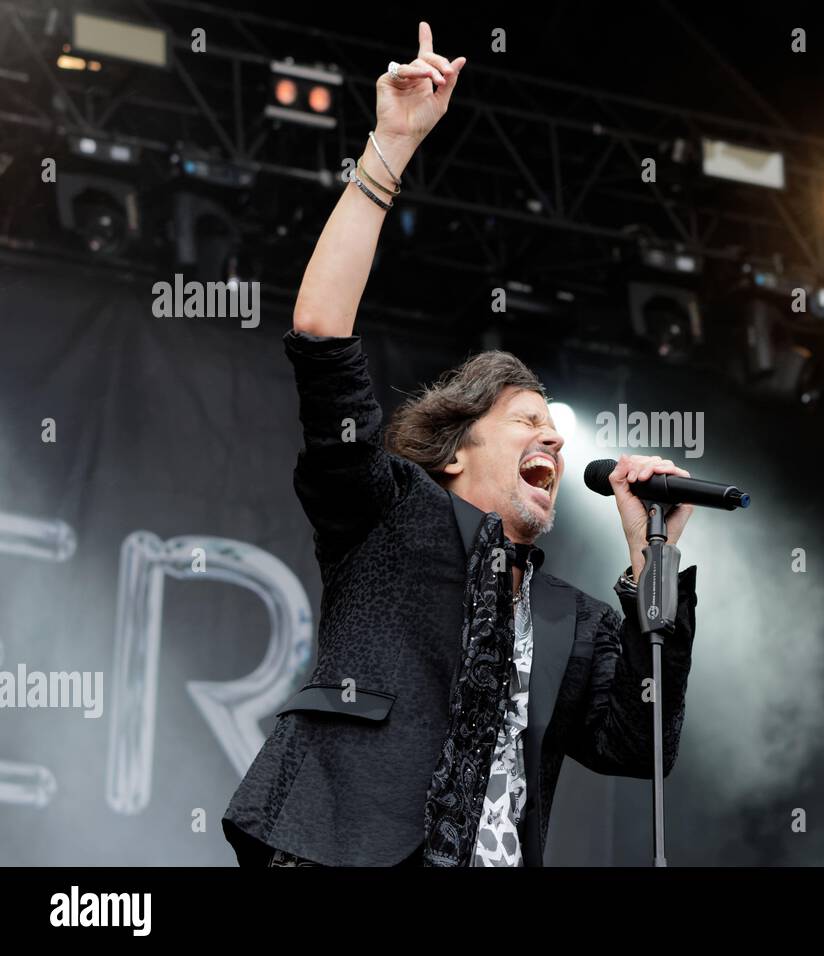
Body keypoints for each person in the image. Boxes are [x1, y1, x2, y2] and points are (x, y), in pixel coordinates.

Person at [220, 21, 698, 867]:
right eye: (526, 420)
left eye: (556, 427)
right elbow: (322, 333)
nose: (551, 433)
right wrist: (390, 149)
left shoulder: (571, 618)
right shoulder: (387, 518)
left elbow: (637, 744)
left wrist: (649, 557)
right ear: (452, 452)